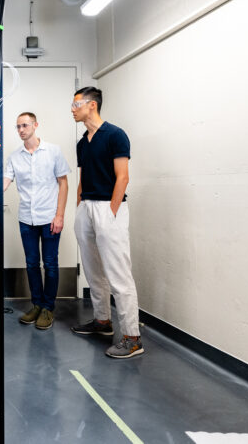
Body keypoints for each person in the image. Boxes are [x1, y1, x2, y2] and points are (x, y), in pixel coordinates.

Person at [69, 87, 143, 359]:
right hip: (86, 207)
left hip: (108, 208)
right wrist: (80, 208)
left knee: (119, 274)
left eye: (76, 104)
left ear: (92, 106)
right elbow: (82, 178)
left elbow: (122, 177)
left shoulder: (115, 135)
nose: (72, 108)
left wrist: (111, 213)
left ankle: (132, 337)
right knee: (93, 270)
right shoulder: (81, 143)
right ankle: (102, 321)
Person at [4, 112, 70, 330]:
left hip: (49, 217)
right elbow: (5, 181)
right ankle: (36, 305)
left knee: (50, 263)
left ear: (35, 125)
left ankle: (48, 308)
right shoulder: (14, 157)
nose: (21, 130)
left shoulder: (53, 151)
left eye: (25, 125)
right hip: (26, 219)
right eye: (18, 127)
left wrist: (59, 215)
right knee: (32, 264)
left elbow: (63, 183)